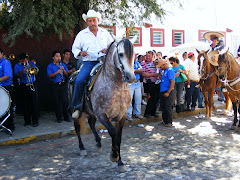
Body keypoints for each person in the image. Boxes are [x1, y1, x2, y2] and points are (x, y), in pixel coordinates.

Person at [71, 9, 113, 119]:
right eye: (89, 21)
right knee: (80, 80)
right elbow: (74, 48)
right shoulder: (82, 34)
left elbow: (112, 45)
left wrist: (107, 50)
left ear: (98, 20)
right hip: (89, 61)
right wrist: (80, 52)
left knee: (118, 77)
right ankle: (76, 106)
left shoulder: (105, 32)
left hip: (105, 61)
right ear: (87, 22)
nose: (92, 22)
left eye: (94, 20)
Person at [14, 53, 39, 127]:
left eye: (25, 59)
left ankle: (35, 121)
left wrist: (31, 70)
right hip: (24, 85)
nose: (24, 61)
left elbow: (36, 71)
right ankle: (27, 121)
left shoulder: (31, 63)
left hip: (32, 84)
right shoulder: (17, 66)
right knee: (25, 104)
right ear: (20, 60)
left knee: (34, 103)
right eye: (23, 60)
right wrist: (23, 71)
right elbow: (17, 76)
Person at [47, 50, 69, 122]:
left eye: (59, 56)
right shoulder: (50, 66)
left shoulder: (63, 65)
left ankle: (66, 117)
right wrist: (56, 72)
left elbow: (67, 74)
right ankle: (59, 117)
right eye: (57, 56)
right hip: (55, 85)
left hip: (62, 84)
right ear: (53, 57)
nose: (58, 58)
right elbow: (49, 76)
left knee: (65, 101)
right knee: (57, 102)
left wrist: (64, 70)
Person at [0, 48, 15, 132]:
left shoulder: (5, 62)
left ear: (2, 53)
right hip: (1, 88)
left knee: (8, 107)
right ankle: (2, 124)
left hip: (7, 87)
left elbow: (8, 75)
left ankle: (10, 126)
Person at [142, 51, 160, 118]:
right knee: (152, 97)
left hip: (156, 82)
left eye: (149, 56)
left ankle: (153, 112)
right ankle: (147, 112)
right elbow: (143, 74)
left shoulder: (154, 63)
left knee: (157, 97)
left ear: (152, 56)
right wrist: (153, 75)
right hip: (149, 82)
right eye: (147, 56)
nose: (148, 57)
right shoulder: (143, 63)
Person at [159, 59, 175, 127]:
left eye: (161, 66)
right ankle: (165, 120)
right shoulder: (165, 71)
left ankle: (169, 121)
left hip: (167, 91)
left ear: (164, 64)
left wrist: (168, 92)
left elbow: (172, 82)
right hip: (163, 91)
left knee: (168, 107)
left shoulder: (170, 70)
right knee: (163, 107)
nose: (160, 68)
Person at [126, 56, 143, 121]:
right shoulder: (127, 63)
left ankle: (137, 113)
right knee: (129, 99)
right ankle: (128, 115)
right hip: (130, 83)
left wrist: (134, 70)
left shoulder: (137, 63)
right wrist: (136, 70)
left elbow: (141, 70)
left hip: (137, 82)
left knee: (138, 98)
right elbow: (128, 71)